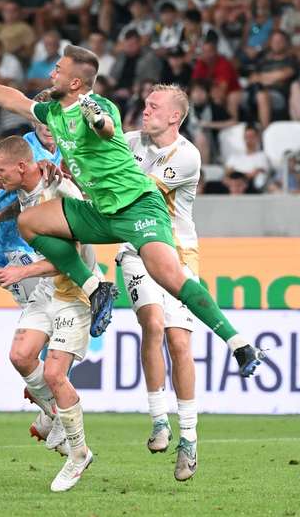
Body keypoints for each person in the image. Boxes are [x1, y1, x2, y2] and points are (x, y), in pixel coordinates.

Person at [0, 50, 264, 377]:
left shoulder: (99, 106)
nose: (51, 75)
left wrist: (96, 119)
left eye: (58, 71)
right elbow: (16, 100)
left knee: (169, 277)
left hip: (137, 206)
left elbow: (104, 128)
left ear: (75, 82)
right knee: (29, 222)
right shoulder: (53, 112)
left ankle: (239, 344)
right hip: (99, 212)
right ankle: (96, 288)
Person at [0, 135, 99, 492]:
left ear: (22, 167)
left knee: (54, 374)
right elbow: (26, 208)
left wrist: (22, 272)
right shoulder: (30, 186)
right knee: (20, 356)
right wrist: (0, 217)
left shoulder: (60, 190)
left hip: (76, 290)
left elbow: (72, 256)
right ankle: (55, 415)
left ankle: (78, 452)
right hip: (49, 289)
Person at [119, 103, 202, 482]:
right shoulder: (129, 140)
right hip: (136, 251)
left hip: (178, 253)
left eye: (155, 106)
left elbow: (140, 189)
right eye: (145, 103)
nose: (145, 109)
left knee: (180, 344)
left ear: (175, 117)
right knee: (151, 323)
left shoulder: (186, 156)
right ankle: (158, 420)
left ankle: (188, 437)